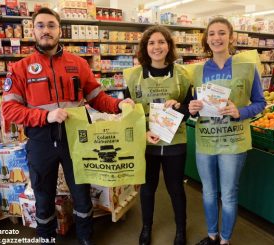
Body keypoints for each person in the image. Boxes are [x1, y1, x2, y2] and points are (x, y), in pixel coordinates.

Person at [1, 7, 133, 245]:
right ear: (33, 30)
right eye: (40, 25)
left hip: (77, 140)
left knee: (81, 195)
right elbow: (9, 110)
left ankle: (85, 238)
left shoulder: (78, 63)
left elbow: (97, 98)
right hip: (41, 142)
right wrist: (45, 117)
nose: (46, 30)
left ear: (60, 30)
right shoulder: (20, 68)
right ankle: (46, 238)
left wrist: (119, 104)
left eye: (51, 25)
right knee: (43, 197)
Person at [187, 17, 266, 245]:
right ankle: (211, 236)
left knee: (229, 194)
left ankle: (225, 239)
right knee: (209, 192)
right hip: (207, 141)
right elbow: (195, 104)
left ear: (231, 37)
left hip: (234, 140)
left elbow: (260, 102)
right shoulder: (198, 70)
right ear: (206, 39)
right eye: (211, 34)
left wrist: (239, 111)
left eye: (222, 33)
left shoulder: (247, 67)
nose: (216, 38)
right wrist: (192, 108)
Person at [123, 25, 193, 245]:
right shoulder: (133, 76)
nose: (157, 47)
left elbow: (191, 108)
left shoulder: (182, 74)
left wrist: (180, 106)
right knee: (148, 187)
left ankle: (181, 230)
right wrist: (141, 130)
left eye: (161, 42)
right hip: (146, 142)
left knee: (175, 188)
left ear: (169, 45)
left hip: (175, 141)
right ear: (145, 47)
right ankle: (146, 228)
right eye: (151, 42)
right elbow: (128, 112)